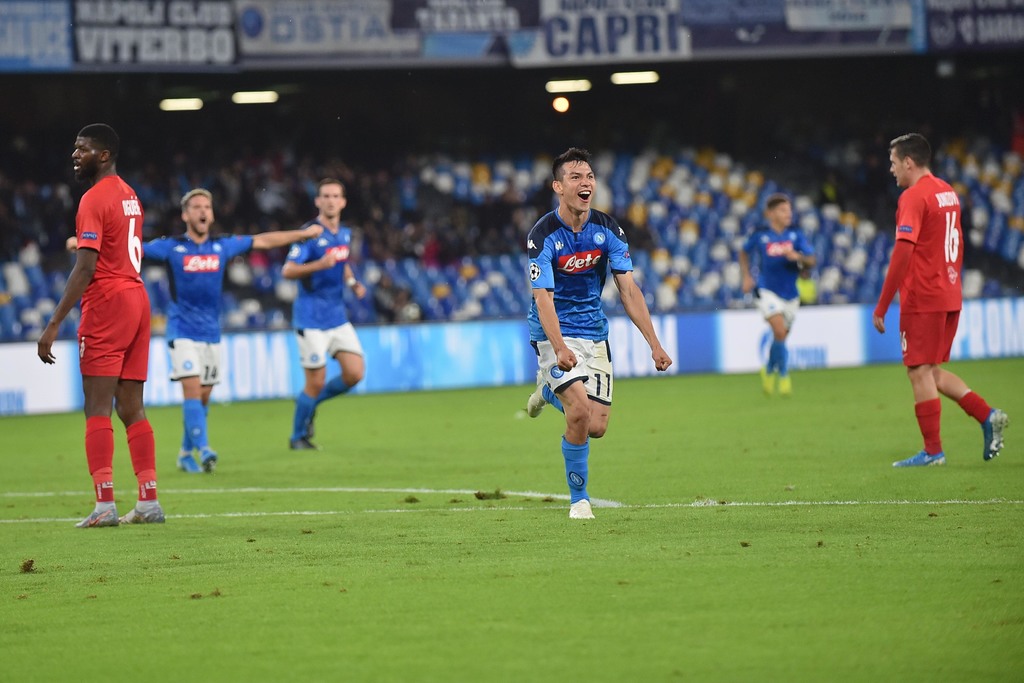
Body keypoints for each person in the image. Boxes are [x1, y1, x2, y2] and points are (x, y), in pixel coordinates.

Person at [524, 147, 673, 519]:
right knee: (578, 410)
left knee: (596, 426)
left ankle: (547, 391)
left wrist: (654, 344)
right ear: (559, 187)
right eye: (575, 177)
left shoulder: (609, 229)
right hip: (553, 332)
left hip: (594, 331)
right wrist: (559, 347)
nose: (585, 182)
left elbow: (629, 291)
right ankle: (580, 500)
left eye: (589, 176)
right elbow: (543, 298)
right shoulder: (542, 235)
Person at [37, 123, 164, 527]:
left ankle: (104, 504)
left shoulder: (93, 198)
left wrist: (53, 323)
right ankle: (148, 501)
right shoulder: (129, 195)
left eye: (83, 149)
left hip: (108, 302)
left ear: (103, 155)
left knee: (97, 407)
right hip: (137, 298)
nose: (75, 155)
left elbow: (87, 267)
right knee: (132, 406)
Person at [142, 189, 323, 472]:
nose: (203, 211)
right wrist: (84, 243)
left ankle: (185, 454)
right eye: (196, 207)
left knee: (203, 395)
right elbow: (132, 248)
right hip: (181, 329)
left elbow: (263, 240)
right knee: (192, 389)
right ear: (185, 215)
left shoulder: (222, 245)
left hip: (211, 333)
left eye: (207, 206)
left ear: (212, 214)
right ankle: (205, 449)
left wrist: (300, 235)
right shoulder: (171, 247)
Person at [873, 133, 1009, 467]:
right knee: (930, 371)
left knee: (918, 372)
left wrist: (883, 304)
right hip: (948, 293)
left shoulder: (913, 196)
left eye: (893, 162)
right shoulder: (947, 191)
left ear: (908, 162)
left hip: (923, 295)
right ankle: (987, 415)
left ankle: (933, 452)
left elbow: (903, 251)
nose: (891, 169)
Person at [282, 178, 367, 450]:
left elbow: (341, 261)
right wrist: (319, 264)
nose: (331, 201)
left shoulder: (345, 234)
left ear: (343, 202)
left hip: (337, 316)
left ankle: (309, 404)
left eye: (335, 196)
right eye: (326, 196)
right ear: (317, 201)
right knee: (315, 381)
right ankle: (298, 437)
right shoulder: (309, 234)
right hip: (311, 318)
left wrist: (352, 282)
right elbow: (288, 270)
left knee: (355, 373)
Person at [738, 193, 816, 396]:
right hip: (767, 290)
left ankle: (769, 369)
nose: (788, 214)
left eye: (789, 210)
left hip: (791, 294)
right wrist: (746, 276)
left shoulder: (795, 234)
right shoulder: (761, 234)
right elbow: (743, 251)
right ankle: (783, 375)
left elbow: (811, 260)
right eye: (783, 210)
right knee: (780, 332)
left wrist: (797, 256)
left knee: (780, 337)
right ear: (771, 214)